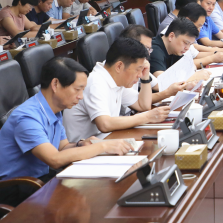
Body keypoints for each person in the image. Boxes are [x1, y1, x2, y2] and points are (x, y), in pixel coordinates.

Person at [0, 58, 133, 206]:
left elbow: (62, 147)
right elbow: (55, 159)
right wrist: (103, 146)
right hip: (17, 188)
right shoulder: (27, 117)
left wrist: (81, 144)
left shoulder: (54, 110)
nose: (81, 96)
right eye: (77, 89)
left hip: (40, 180)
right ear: (55, 84)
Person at [63, 38, 170, 143]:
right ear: (119, 66)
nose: (139, 75)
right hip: (83, 148)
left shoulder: (116, 78)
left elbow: (143, 105)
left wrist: (145, 77)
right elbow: (105, 124)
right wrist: (147, 117)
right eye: (138, 69)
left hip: (106, 139)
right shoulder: (96, 82)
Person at [118, 24, 197, 103]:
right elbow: (141, 102)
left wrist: (186, 85)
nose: (148, 54)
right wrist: (168, 92)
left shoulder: (141, 66)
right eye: (145, 48)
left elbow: (159, 85)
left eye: (149, 49)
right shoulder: (122, 72)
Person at [178, 3, 223, 69]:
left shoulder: (185, 35)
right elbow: (184, 65)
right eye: (198, 27)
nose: (199, 31)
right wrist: (211, 58)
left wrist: (217, 53)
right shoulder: (176, 35)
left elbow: (196, 55)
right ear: (188, 21)